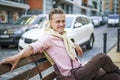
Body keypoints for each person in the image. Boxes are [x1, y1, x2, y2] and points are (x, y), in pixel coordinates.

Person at [0, 8, 120, 80]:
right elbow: (32, 48)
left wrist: (74, 45)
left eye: (63, 21)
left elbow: (66, 44)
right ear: (50, 23)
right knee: (101, 57)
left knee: (114, 77)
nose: (61, 24)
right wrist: (17, 57)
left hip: (81, 69)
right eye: (58, 22)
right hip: (74, 76)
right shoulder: (48, 38)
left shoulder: (63, 36)